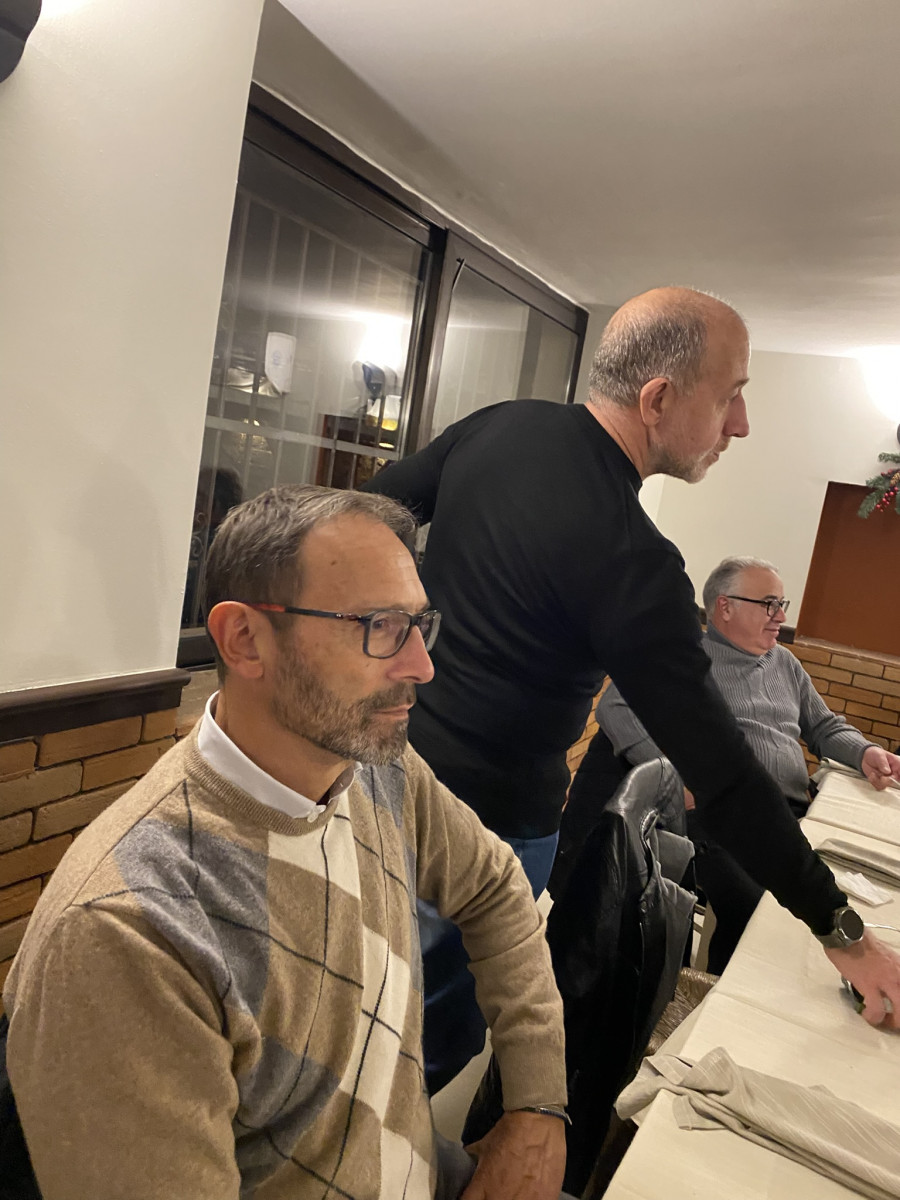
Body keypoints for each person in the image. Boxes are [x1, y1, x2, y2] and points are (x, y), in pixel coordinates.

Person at [363, 285, 900, 1090]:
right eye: (731, 395)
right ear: (658, 400)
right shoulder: (635, 560)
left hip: (380, 776)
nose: (740, 424)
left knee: (352, 1000)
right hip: (489, 832)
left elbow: (364, 512)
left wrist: (390, 624)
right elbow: (722, 772)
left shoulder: (502, 424)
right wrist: (842, 930)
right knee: (418, 1047)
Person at [3, 485, 570, 1200]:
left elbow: (495, 886)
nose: (421, 666)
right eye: (379, 626)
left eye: (418, 624)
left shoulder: (373, 769)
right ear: (244, 639)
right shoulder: (130, 931)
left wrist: (537, 1102)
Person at [595, 555, 900, 971]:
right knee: (756, 912)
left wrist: (864, 752)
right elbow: (614, 708)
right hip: (724, 815)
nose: (781, 617)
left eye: (782, 605)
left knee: (854, 893)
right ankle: (723, 991)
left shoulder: (784, 662)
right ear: (725, 606)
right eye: (770, 604)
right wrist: (677, 776)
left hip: (789, 810)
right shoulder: (689, 658)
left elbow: (823, 725)